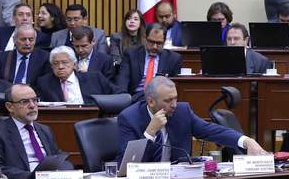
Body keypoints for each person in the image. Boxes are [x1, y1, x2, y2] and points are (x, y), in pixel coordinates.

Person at [118, 76, 266, 162]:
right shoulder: (129, 118)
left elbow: (212, 131)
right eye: (168, 100)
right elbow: (126, 163)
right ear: (151, 101)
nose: (174, 104)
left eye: (175, 98)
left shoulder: (182, 112)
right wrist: (150, 132)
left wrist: (247, 141)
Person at [0, 83, 65, 179]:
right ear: (10, 107)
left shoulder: (45, 130)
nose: (32, 105)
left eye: (34, 100)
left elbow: (57, 157)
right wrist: (37, 177)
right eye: (24, 102)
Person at [116, 23, 182, 96]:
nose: (154, 47)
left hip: (160, 98)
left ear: (164, 41)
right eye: (151, 42)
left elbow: (175, 88)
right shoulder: (131, 55)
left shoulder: (173, 59)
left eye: (159, 43)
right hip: (136, 97)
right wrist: (123, 98)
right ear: (145, 39)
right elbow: (122, 82)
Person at [35, 46, 116, 104]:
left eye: (64, 62)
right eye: (56, 63)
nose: (60, 67)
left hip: (92, 119)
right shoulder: (44, 82)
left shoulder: (95, 78)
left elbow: (119, 95)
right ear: (51, 66)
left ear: (74, 64)